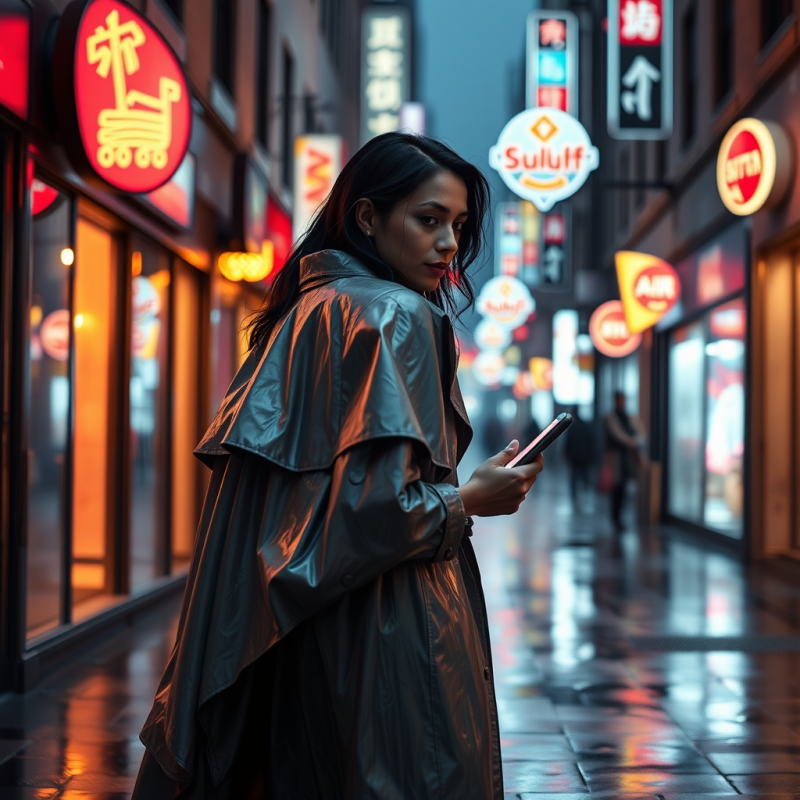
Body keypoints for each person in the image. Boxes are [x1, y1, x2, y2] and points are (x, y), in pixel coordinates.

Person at [131, 132, 545, 800]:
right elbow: (373, 514)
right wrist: (470, 499)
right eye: (429, 219)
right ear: (367, 218)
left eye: (459, 226)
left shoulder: (306, 310)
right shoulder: (395, 315)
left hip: (296, 638)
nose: (448, 244)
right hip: (389, 632)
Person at [604, 390, 646, 531]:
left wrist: (634, 441)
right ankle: (615, 518)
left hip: (628, 458)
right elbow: (617, 434)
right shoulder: (611, 417)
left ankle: (620, 518)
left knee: (624, 487)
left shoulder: (630, 417)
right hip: (617, 457)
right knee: (617, 488)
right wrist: (629, 441)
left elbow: (641, 433)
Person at [563, 408, 596, 511]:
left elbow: (568, 442)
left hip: (575, 456)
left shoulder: (572, 426)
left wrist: (566, 454)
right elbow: (591, 441)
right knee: (583, 476)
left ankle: (575, 497)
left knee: (575, 477)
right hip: (583, 456)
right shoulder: (585, 425)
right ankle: (584, 494)